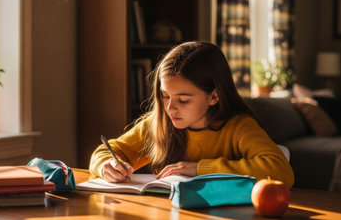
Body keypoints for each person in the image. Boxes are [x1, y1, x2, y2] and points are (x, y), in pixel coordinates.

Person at [89, 41, 294, 188]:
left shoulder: (239, 127)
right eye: (165, 96)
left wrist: (200, 169)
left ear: (214, 96)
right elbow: (106, 150)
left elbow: (281, 172)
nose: (170, 108)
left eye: (183, 99)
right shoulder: (159, 123)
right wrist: (108, 165)